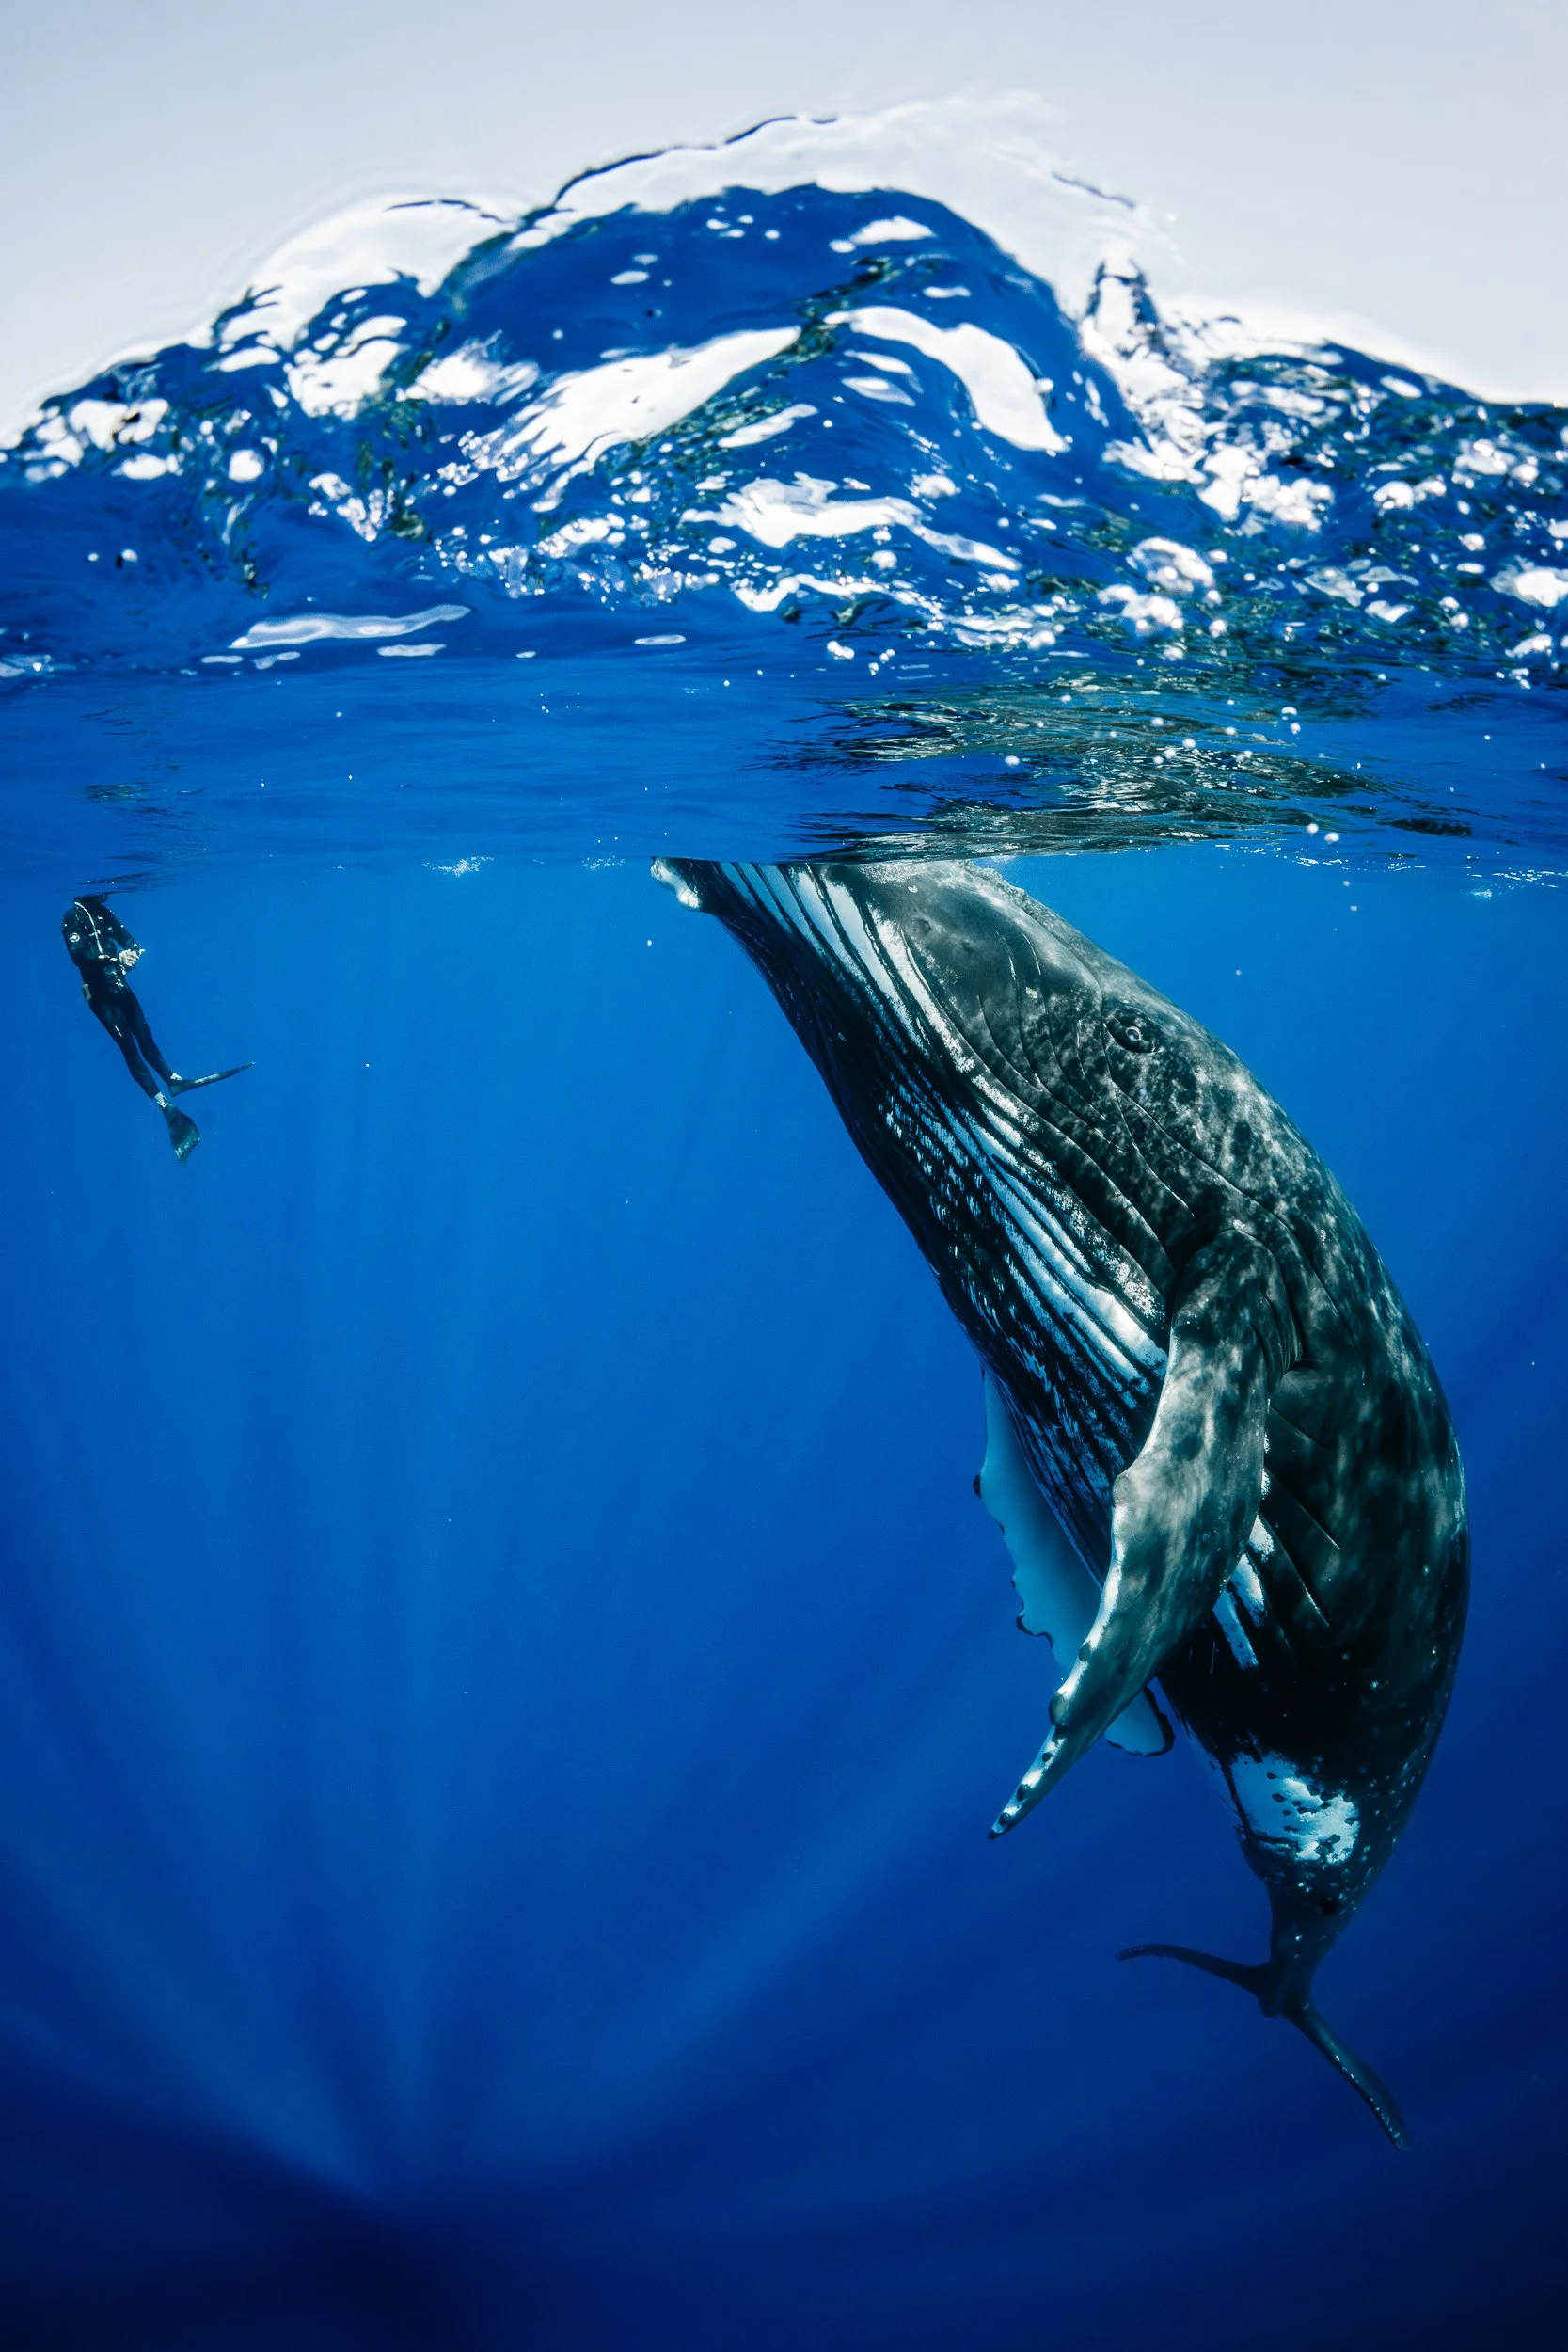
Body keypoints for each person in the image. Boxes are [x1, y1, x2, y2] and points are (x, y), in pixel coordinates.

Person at [62, 895, 250, 1161]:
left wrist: (133, 954)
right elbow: (78, 955)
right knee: (129, 1047)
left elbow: (127, 938)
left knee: (145, 1035)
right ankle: (164, 1105)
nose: (107, 894)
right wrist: (117, 959)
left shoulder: (102, 912)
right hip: (100, 996)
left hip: (119, 987)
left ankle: (174, 1081)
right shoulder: (73, 917)